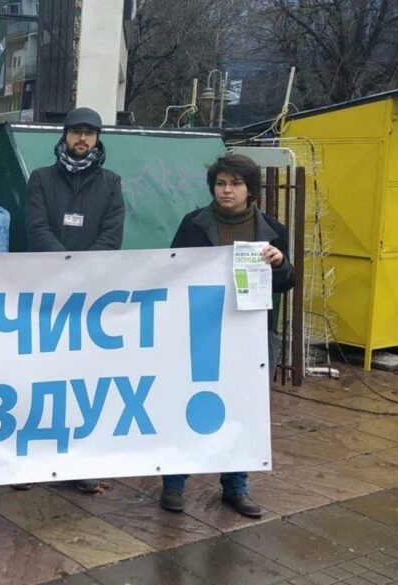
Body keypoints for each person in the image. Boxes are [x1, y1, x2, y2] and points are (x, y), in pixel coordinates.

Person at [159, 153, 295, 518]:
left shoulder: (271, 230)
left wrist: (280, 264)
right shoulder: (193, 225)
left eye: (235, 184)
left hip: (251, 332)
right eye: (220, 183)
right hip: (202, 330)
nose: (226, 190)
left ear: (250, 190)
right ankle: (174, 482)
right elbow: (172, 270)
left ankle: (235, 485)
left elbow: (287, 282)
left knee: (244, 408)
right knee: (187, 400)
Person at [20, 106, 125, 494]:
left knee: (80, 383)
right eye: (76, 132)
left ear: (98, 139)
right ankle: (30, 462)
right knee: (40, 380)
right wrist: (64, 267)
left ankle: (77, 463)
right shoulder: (41, 179)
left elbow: (112, 236)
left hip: (89, 299)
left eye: (90, 133)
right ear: (64, 136)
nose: (83, 139)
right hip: (45, 295)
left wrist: (83, 272)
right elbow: (36, 228)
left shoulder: (111, 183)